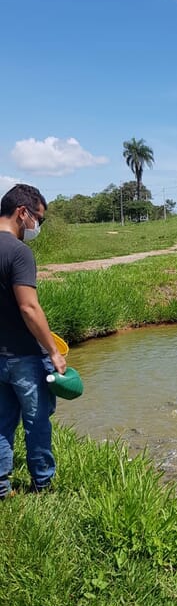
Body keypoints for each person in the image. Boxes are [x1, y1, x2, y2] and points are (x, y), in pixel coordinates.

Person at [0, 184, 66, 498]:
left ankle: (1, 487)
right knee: (37, 421)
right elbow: (29, 307)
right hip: (24, 356)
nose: (36, 227)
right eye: (37, 219)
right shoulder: (18, 251)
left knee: (1, 423)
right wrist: (53, 351)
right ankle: (43, 485)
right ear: (22, 213)